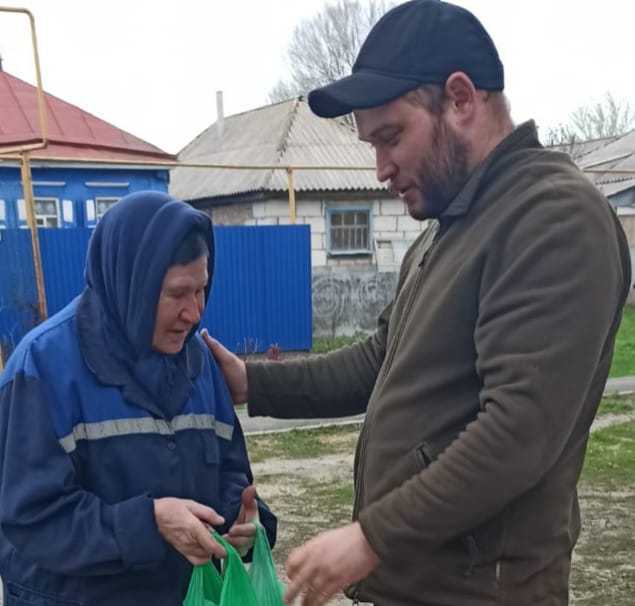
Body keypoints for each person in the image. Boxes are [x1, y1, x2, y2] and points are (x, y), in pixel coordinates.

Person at [202, 1, 632, 605]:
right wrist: (252, 382)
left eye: (390, 136)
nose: (380, 168)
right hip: (415, 584)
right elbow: (384, 361)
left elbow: (520, 431)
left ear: (460, 99)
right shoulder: (449, 225)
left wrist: (371, 537)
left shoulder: (554, 218)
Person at [0, 191, 276, 605]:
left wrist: (244, 523)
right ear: (132, 284)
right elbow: (30, 516)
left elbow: (230, 473)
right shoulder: (41, 367)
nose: (195, 312)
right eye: (177, 294)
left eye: (201, 289)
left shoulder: (198, 365)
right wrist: (148, 524)